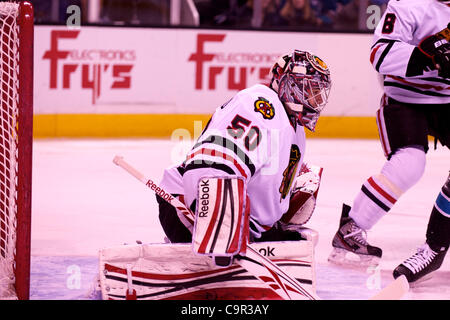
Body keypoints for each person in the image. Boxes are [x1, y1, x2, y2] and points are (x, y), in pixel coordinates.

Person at [328, 0, 450, 285]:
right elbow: (379, 53)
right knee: (410, 164)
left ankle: (434, 248)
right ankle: (351, 229)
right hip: (405, 98)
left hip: (447, 101)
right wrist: (426, 56)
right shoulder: (409, 4)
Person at [156, 50, 331, 247]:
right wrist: (222, 225)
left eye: (318, 93)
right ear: (286, 82)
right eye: (309, 89)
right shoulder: (261, 104)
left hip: (242, 224)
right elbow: (213, 163)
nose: (314, 99)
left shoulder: (296, 130)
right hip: (192, 205)